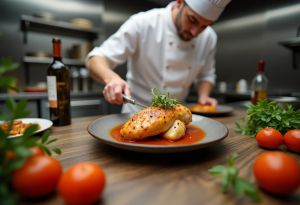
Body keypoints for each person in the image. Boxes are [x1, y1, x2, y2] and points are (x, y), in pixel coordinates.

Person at [86, 0, 231, 113]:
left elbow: (206, 75)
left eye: (204, 26)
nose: (195, 32)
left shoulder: (209, 37)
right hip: (137, 111)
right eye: (192, 20)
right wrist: (112, 79)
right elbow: (97, 58)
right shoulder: (143, 22)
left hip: (175, 116)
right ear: (180, 2)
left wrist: (203, 96)